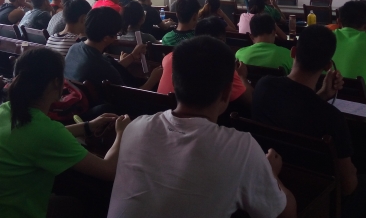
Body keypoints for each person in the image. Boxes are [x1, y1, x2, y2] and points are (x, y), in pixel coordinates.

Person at [107, 35, 296, 218]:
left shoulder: (135, 127)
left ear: (174, 82)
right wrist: (271, 173)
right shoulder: (240, 148)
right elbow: (287, 214)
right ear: (226, 93)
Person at [253, 25, 366, 218]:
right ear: (327, 66)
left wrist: (322, 94)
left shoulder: (263, 86)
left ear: (293, 52)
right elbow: (349, 187)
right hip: (321, 198)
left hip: (275, 177)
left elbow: (295, 109)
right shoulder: (331, 117)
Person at [0, 47, 131, 218]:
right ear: (56, 83)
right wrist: (122, 132)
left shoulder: (7, 109)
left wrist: (88, 126)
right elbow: (109, 170)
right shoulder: (45, 132)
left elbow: (39, 136)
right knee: (85, 204)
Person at [64, 7, 162, 99]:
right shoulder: (101, 66)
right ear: (106, 38)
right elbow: (133, 97)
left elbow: (107, 70)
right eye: (116, 34)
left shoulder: (75, 48)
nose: (116, 38)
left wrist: (132, 56)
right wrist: (153, 79)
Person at [158, 17, 253, 107]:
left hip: (164, 110)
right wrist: (241, 76)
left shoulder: (170, 57)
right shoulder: (222, 63)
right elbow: (251, 100)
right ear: (222, 39)